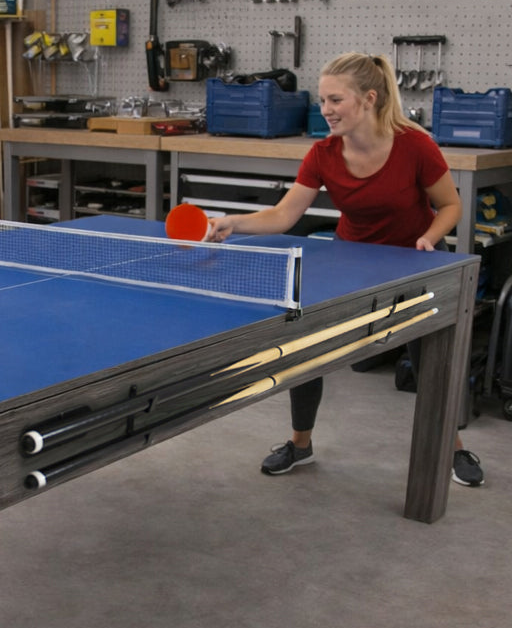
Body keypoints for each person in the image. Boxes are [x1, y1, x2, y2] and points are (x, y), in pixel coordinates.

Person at [205, 52, 484, 487]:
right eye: (322, 100)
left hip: (417, 261)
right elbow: (283, 215)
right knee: (307, 346)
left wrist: (430, 238)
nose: (326, 110)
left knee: (432, 361)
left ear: (369, 99)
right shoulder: (323, 153)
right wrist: (233, 223)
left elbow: (450, 205)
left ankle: (453, 448)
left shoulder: (414, 145)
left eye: (335, 100)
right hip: (352, 260)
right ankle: (300, 444)